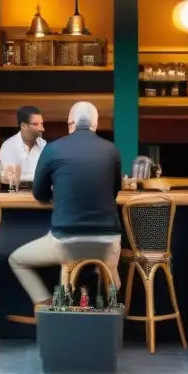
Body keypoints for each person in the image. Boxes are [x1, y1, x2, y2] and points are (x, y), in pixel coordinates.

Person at [9, 101, 122, 305]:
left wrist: (61, 192)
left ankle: (47, 306)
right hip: (108, 244)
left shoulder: (53, 149)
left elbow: (39, 194)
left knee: (17, 260)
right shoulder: (111, 150)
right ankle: (109, 298)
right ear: (95, 124)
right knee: (109, 269)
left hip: (66, 242)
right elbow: (113, 192)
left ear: (70, 124)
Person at [0, 105, 45, 185]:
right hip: (16, 196)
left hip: (40, 194)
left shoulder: (44, 144)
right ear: (23, 126)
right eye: (35, 124)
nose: (41, 128)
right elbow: (9, 177)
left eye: (41, 124)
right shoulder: (9, 146)